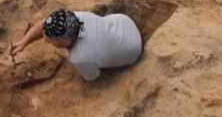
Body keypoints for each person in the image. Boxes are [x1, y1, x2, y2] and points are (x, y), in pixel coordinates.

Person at [12, 9, 143, 81]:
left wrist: (68, 55)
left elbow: (92, 77)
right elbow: (44, 24)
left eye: (51, 40)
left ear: (65, 41)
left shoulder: (80, 58)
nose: (45, 41)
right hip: (124, 23)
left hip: (132, 52)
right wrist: (24, 41)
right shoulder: (77, 17)